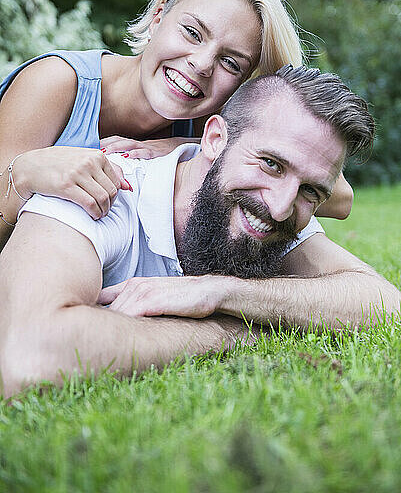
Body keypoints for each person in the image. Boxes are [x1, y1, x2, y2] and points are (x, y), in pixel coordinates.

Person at [0, 66, 399, 398]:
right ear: (214, 139)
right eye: (271, 164)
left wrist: (220, 291)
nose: (279, 207)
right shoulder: (103, 193)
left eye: (311, 190)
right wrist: (233, 329)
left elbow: (386, 306)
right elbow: (28, 354)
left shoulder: (279, 208)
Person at [0, 0, 352, 252]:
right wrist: (26, 176)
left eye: (231, 62)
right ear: (157, 18)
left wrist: (185, 148)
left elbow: (339, 197)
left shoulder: (207, 123)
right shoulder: (56, 83)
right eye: (192, 33)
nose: (201, 64)